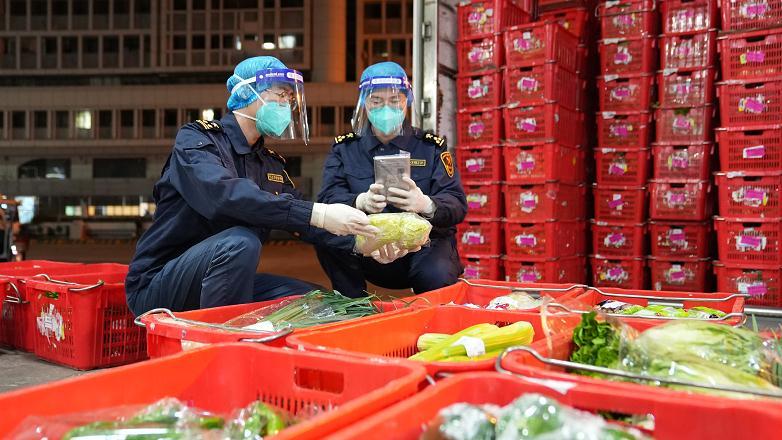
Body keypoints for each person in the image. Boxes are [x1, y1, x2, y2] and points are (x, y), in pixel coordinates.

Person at [125, 56, 413, 316]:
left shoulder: (269, 163)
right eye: (280, 94)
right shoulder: (198, 140)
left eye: (290, 97)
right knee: (240, 241)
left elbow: (303, 220)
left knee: (319, 303)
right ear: (249, 93)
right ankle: (217, 343)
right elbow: (225, 197)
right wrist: (320, 212)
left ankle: (249, 338)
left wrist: (364, 242)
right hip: (160, 286)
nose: (286, 104)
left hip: (224, 282)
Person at [316, 61, 467, 298]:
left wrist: (426, 204)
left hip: (423, 249)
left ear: (407, 101)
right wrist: (360, 202)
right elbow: (326, 198)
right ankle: (353, 306)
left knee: (437, 270)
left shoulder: (431, 147)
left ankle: (431, 315)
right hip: (366, 248)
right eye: (376, 100)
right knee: (323, 231)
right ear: (364, 103)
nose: (386, 107)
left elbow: (457, 204)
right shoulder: (345, 148)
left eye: (395, 100)